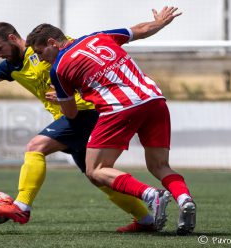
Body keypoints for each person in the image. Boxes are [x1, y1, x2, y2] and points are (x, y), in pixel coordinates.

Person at [0, 23, 158, 233]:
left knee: (36, 146)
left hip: (86, 111)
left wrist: (155, 24)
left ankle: (22, 206)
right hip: (71, 116)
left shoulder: (46, 46)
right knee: (97, 177)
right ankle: (147, 219)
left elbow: (82, 57)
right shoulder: (11, 66)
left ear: (13, 38)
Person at [25, 7, 196, 235]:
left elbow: (72, 114)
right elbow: (142, 29)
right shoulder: (99, 36)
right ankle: (185, 200)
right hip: (154, 99)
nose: (40, 58)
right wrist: (161, 23)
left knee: (95, 170)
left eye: (40, 52)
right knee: (159, 165)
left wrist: (62, 100)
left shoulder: (58, 69)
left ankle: (151, 195)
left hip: (120, 108)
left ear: (52, 42)